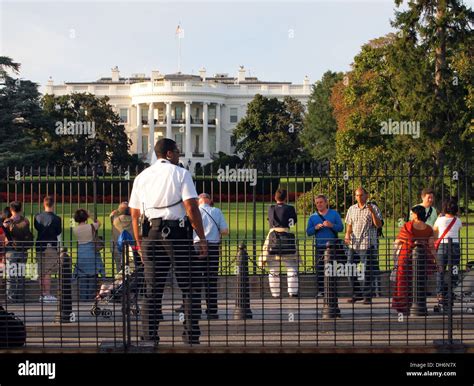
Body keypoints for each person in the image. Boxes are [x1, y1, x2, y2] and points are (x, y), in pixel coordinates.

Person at [129, 138, 207, 346]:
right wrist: (202, 237)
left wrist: (139, 243)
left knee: (152, 289)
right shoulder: (181, 173)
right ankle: (190, 335)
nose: (180, 154)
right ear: (170, 154)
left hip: (150, 235)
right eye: (178, 151)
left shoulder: (142, 177)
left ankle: (148, 336)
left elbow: (134, 214)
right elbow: (191, 207)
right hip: (176, 234)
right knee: (189, 286)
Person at [392, 205, 437, 314]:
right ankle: (418, 306)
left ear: (416, 215)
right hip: (422, 259)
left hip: (406, 257)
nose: (411, 215)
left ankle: (403, 307)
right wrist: (436, 261)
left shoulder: (407, 226)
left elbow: (397, 242)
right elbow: (431, 246)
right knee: (418, 282)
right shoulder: (428, 229)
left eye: (412, 214)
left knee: (403, 282)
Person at [344, 187, 383, 305]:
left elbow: (379, 225)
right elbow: (349, 225)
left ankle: (367, 296)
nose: (359, 198)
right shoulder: (352, 209)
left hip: (367, 244)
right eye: (357, 195)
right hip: (354, 244)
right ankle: (357, 294)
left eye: (361, 195)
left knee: (367, 271)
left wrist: (371, 211)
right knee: (350, 269)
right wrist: (347, 234)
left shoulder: (374, 208)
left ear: (367, 196)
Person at [193, 193, 229, 319]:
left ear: (199, 201)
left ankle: (195, 310)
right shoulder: (216, 211)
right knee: (211, 280)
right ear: (210, 201)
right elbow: (225, 231)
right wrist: (216, 232)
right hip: (213, 247)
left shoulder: (194, 211)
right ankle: (212, 311)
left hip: (197, 246)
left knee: (195, 279)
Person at [259, 189, 299, 298]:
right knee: (291, 267)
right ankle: (293, 292)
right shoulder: (290, 208)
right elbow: (293, 223)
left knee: (273, 269)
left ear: (275, 198)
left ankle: (275, 294)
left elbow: (270, 221)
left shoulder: (271, 208)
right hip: (286, 236)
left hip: (273, 238)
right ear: (286, 198)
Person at [306, 194, 343, 297]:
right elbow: (308, 232)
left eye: (321, 202)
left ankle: (332, 290)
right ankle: (321, 291)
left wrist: (331, 225)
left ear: (326, 202)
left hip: (333, 247)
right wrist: (315, 228)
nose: (319, 204)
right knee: (320, 269)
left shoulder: (334, 214)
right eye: (317, 203)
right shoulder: (313, 217)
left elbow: (341, 228)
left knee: (332, 269)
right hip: (319, 247)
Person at [433, 199, 463, 305]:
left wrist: (440, 215)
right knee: (454, 269)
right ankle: (451, 291)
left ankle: (440, 294)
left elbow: (435, 229)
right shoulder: (458, 220)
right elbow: (458, 229)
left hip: (442, 246)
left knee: (440, 271)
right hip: (454, 246)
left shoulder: (440, 220)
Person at [3, 201, 33, 303]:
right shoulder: (26, 221)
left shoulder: (7, 222)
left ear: (11, 210)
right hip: (23, 250)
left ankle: (10, 298)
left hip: (11, 251)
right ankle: (20, 297)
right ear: (21, 209)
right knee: (21, 275)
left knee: (11, 275)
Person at [72, 209, 105, 301]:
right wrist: (90, 216)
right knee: (92, 278)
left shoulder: (75, 229)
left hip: (81, 254)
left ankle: (83, 300)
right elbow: (99, 222)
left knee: (82, 278)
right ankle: (91, 299)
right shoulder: (91, 227)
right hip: (91, 253)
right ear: (85, 217)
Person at [34, 196, 62, 303]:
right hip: (51, 246)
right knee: (48, 271)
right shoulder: (57, 219)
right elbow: (58, 233)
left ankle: (42, 294)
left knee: (41, 271)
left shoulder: (37, 217)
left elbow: (37, 228)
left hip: (40, 245)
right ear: (53, 204)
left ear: (44, 204)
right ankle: (47, 294)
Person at [110, 202, 132, 272]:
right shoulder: (134, 220)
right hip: (131, 247)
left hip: (117, 246)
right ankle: (129, 280)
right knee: (130, 266)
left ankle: (120, 281)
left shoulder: (115, 220)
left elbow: (111, 215)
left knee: (119, 267)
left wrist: (116, 211)